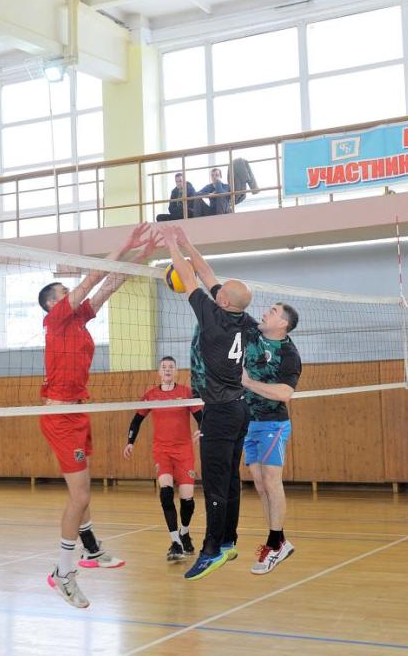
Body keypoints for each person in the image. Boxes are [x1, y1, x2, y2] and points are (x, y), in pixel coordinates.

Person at [38, 223, 157, 608]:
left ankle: (90, 550)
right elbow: (93, 279)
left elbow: (108, 286)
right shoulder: (56, 319)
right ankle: (62, 572)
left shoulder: (78, 320)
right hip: (60, 416)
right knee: (81, 494)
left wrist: (141, 257)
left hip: (79, 411)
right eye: (63, 291)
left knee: (83, 491)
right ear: (53, 303)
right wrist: (124, 244)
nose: (70, 292)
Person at [157, 223, 256, 581]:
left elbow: (189, 275)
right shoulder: (245, 320)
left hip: (219, 411)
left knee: (215, 484)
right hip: (240, 409)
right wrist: (187, 242)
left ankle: (211, 550)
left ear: (224, 302)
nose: (216, 290)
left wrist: (171, 244)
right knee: (229, 480)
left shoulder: (213, 320)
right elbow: (206, 273)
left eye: (221, 292)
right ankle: (228, 541)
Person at [241, 302, 302, 575]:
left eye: (273, 311)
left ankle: (274, 544)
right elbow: (225, 299)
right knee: (260, 484)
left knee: (271, 482)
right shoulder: (252, 330)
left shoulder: (289, 354)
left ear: (283, 324)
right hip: (249, 421)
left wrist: (248, 382)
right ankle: (280, 541)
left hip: (273, 423)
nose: (265, 312)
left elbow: (284, 394)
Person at [123, 356, 202, 562]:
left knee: (187, 500)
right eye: (164, 367)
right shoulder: (151, 395)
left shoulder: (186, 393)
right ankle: (175, 542)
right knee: (166, 493)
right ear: (159, 372)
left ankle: (184, 533)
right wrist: (130, 442)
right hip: (162, 451)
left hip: (184, 451)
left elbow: (200, 416)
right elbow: (137, 419)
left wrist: (203, 430)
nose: (167, 370)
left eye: (171, 367)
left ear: (176, 372)